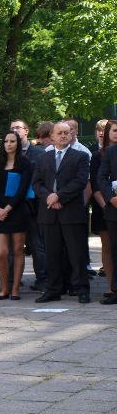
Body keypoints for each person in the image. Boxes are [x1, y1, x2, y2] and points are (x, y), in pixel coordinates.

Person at [33, 122, 91, 304]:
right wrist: (49, 197)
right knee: (52, 254)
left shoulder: (81, 156)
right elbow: (36, 183)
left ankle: (81, 289)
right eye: (60, 133)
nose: (63, 135)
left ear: (71, 135)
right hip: (49, 213)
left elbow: (80, 181)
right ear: (52, 136)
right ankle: (53, 290)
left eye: (66, 132)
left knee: (77, 254)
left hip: (71, 212)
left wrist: (59, 196)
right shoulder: (43, 158)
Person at [0, 131, 32, 300]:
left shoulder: (25, 163)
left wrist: (7, 209)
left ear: (18, 144)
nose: (9, 144)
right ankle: (4, 288)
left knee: (18, 250)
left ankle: (15, 289)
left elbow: (22, 190)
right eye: (6, 141)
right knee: (2, 252)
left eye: (12, 141)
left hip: (18, 211)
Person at [9, 119, 47, 292]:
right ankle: (11, 281)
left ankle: (43, 280)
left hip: (34, 206)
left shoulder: (39, 153)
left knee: (37, 244)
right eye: (12, 128)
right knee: (12, 246)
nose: (15, 130)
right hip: (12, 207)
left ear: (26, 131)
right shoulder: (6, 154)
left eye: (18, 127)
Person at [93, 121, 117, 302]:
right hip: (114, 209)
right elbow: (101, 178)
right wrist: (111, 198)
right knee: (114, 250)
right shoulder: (109, 152)